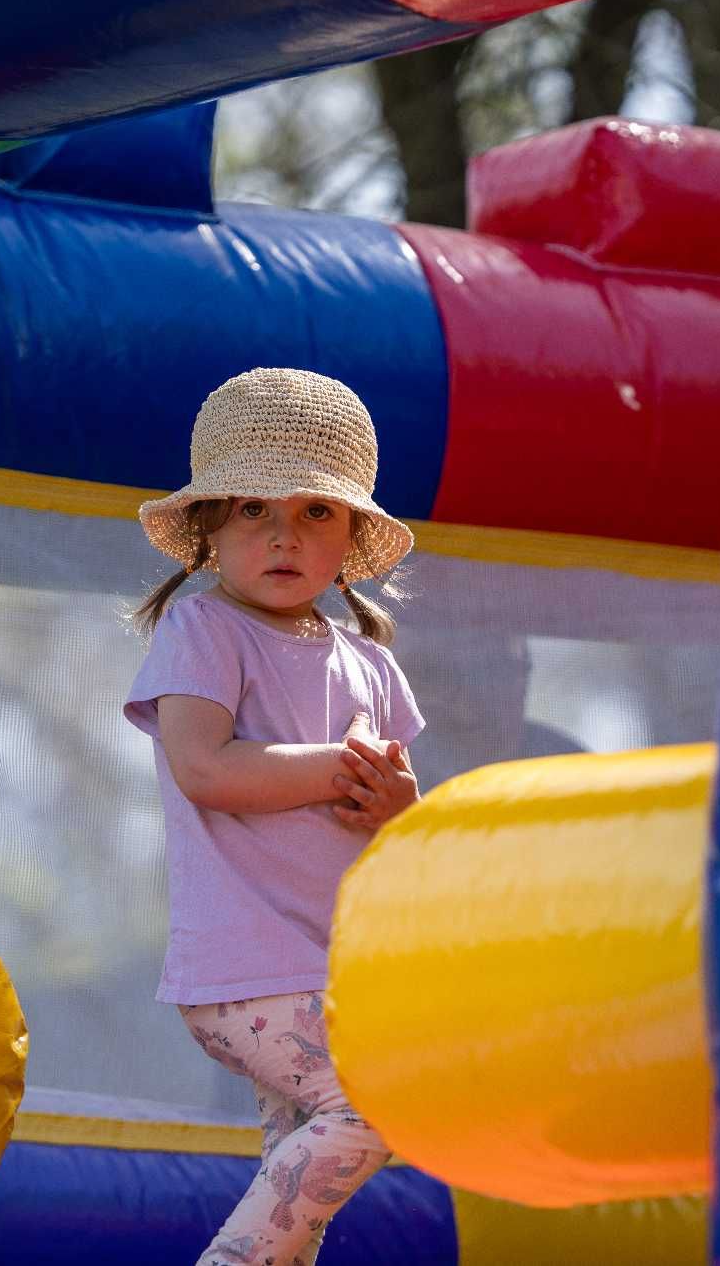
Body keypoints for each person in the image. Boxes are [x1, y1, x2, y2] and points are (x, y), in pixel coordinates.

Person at [124, 368, 424, 1265]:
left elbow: (398, 826)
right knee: (374, 1104)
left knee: (302, 1178)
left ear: (354, 534)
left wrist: (401, 809)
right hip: (246, 970)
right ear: (209, 529)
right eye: (254, 508)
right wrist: (335, 768)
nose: (283, 534)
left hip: (333, 967)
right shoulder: (204, 631)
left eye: (315, 512)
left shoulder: (369, 664)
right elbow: (204, 767)